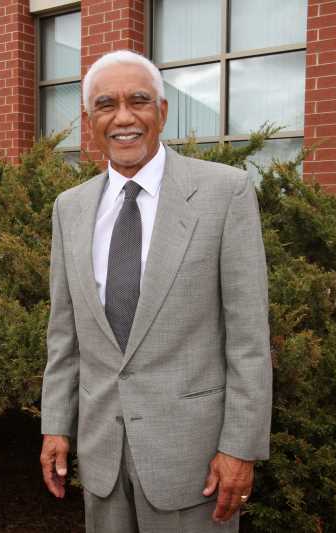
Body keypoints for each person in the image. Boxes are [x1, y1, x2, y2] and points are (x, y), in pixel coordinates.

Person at [39, 50, 272, 532]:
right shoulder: (70, 209)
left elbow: (249, 341)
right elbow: (64, 335)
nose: (123, 117)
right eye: (106, 104)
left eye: (139, 101)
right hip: (102, 454)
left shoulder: (225, 193)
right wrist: (56, 425)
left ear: (162, 112)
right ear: (90, 120)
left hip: (193, 461)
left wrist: (240, 447)